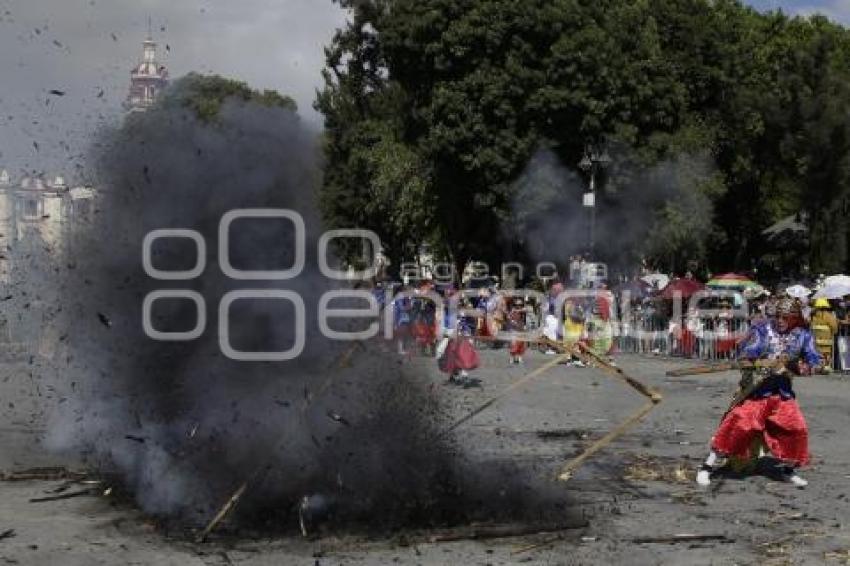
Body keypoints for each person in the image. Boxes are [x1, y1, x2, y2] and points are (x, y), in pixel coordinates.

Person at [696, 298, 821, 488]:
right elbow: (748, 351)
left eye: (785, 317)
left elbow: (815, 361)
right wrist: (757, 359)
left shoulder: (803, 335)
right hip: (757, 390)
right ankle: (707, 467)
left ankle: (788, 471)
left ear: (794, 319)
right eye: (778, 316)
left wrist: (799, 367)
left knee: (797, 428)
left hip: (782, 393)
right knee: (739, 424)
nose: (780, 320)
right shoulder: (763, 330)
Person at [810, 297, 838, 371]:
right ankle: (826, 367)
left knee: (818, 352)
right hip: (826, 337)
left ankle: (819, 366)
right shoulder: (828, 315)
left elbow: (811, 325)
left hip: (816, 337)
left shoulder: (814, 315)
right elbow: (834, 326)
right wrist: (834, 332)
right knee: (826, 352)